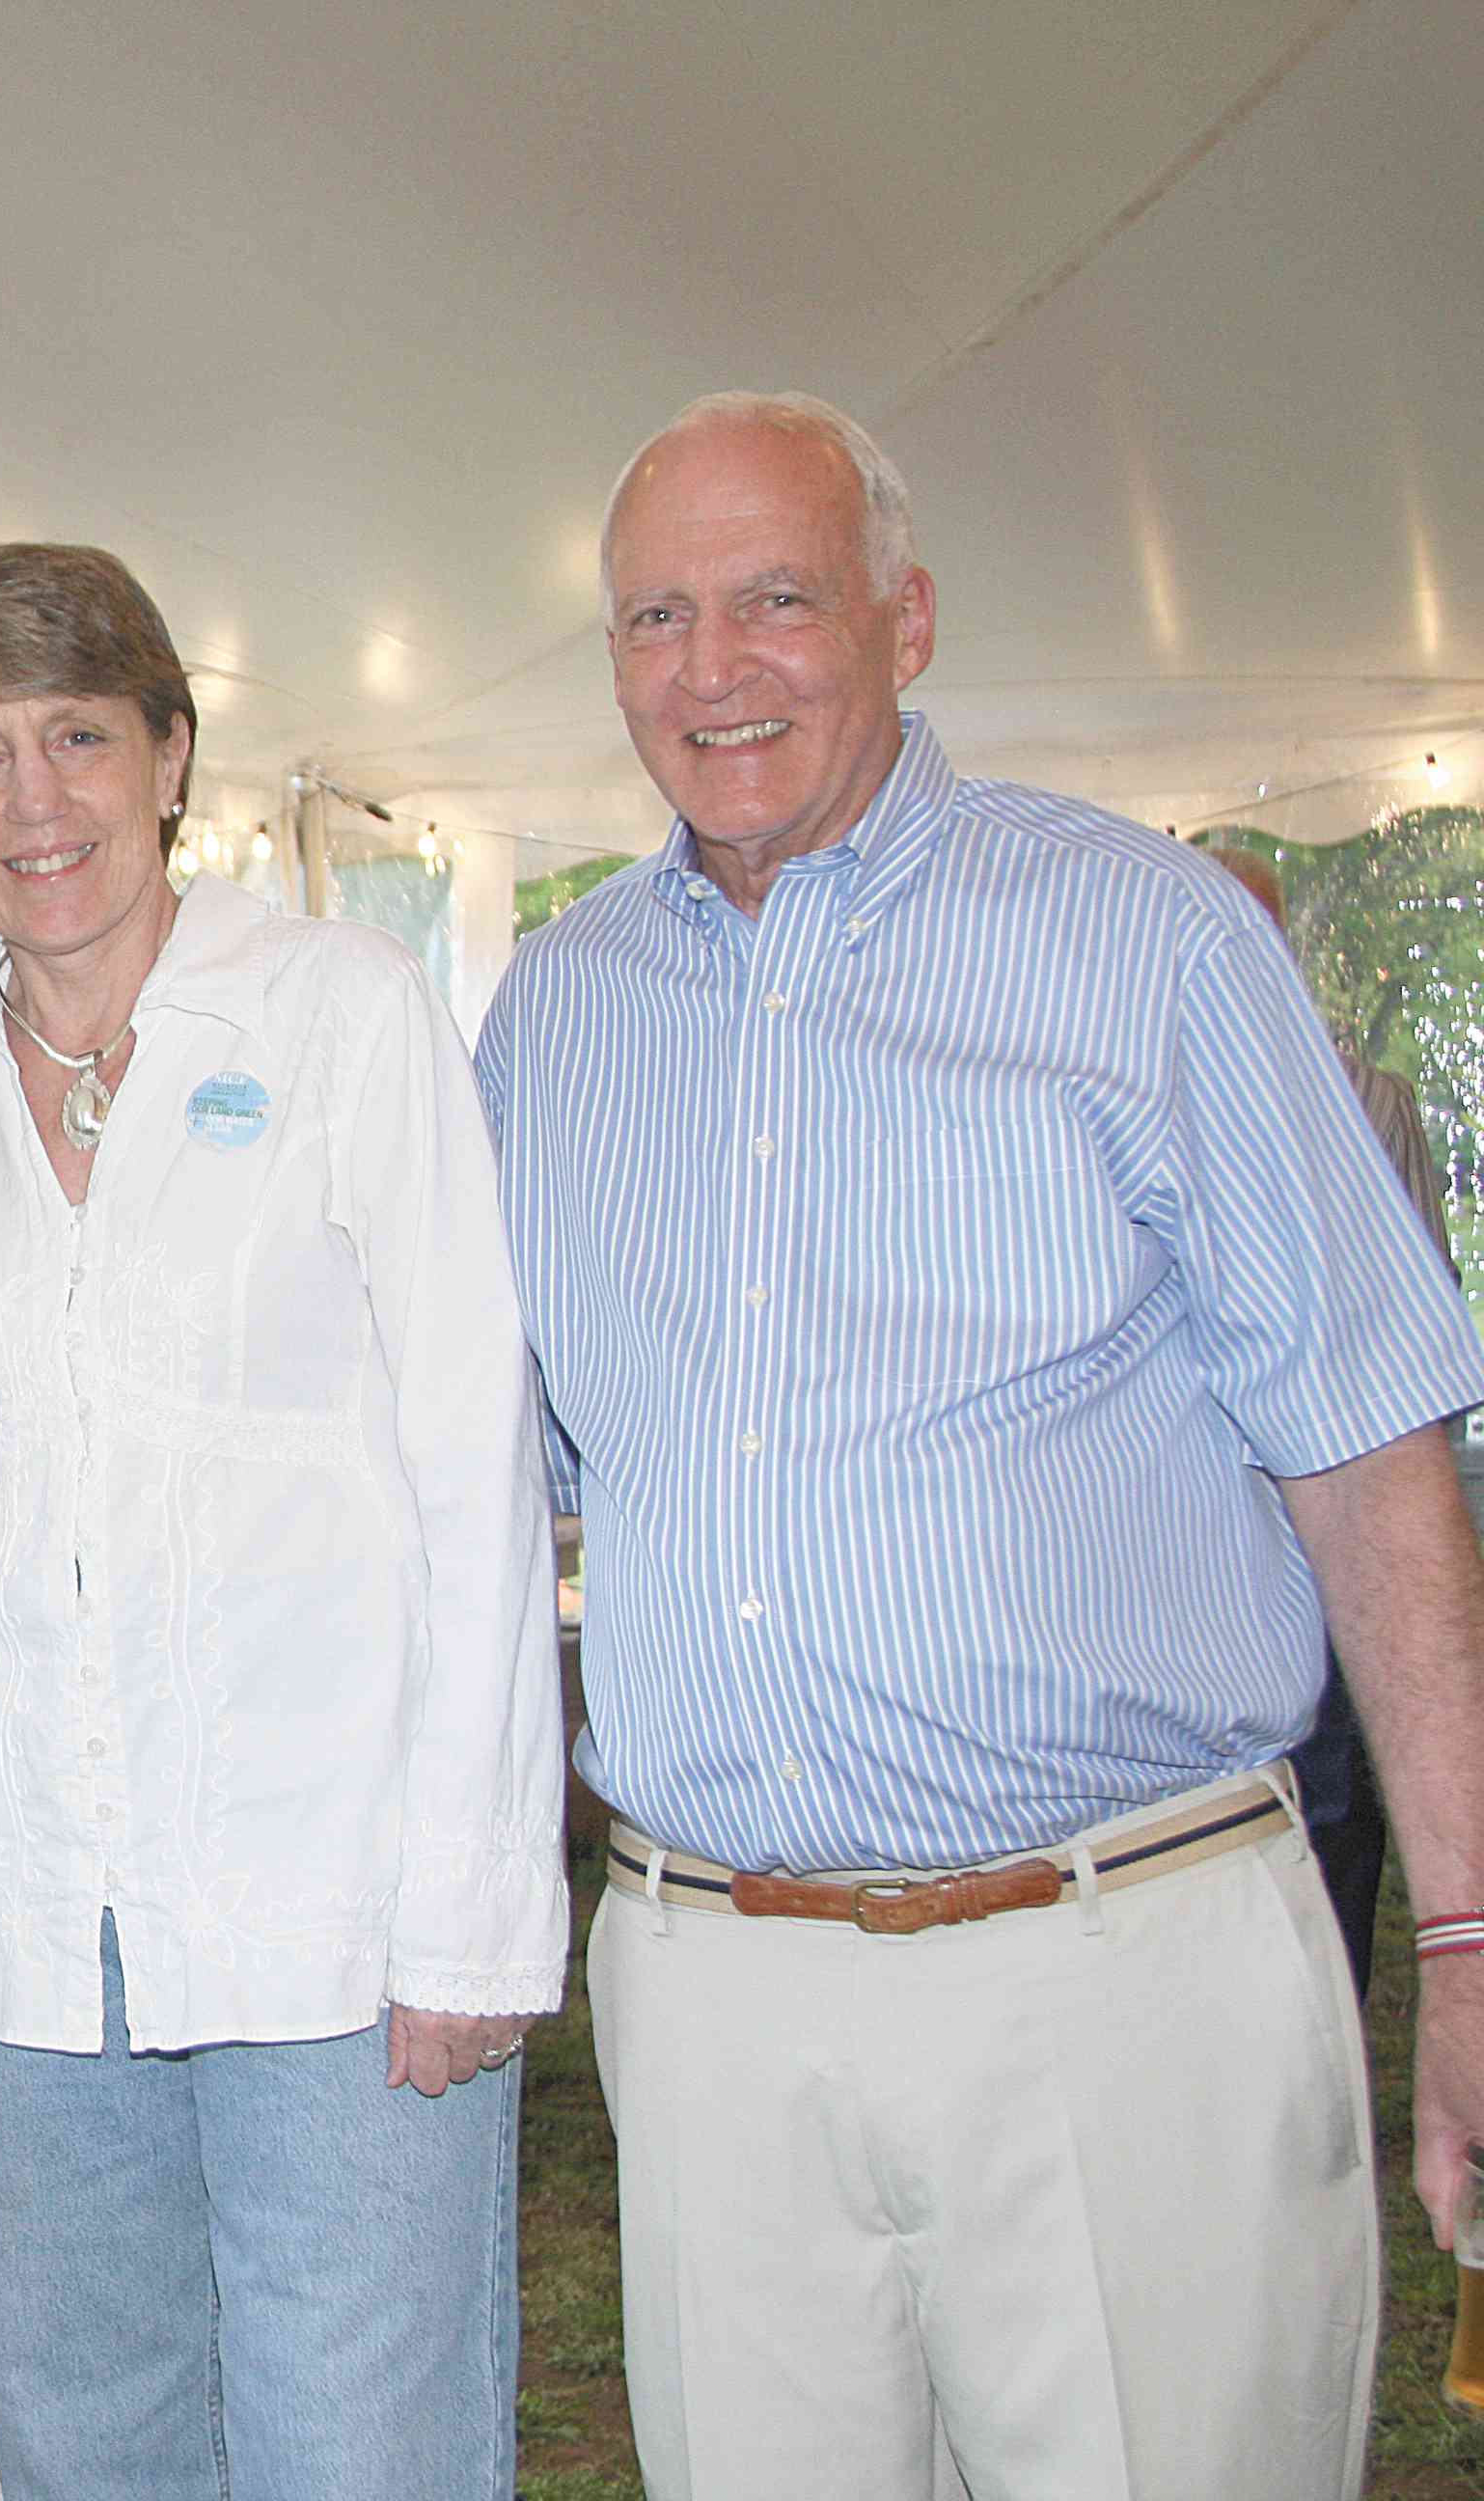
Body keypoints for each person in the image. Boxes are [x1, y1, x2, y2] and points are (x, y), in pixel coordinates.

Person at [475, 389, 1484, 2501]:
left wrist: (1469, 1938)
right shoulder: (550, 1019)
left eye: (775, 599)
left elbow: (1368, 1450)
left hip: (1121, 1978)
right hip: (715, 1999)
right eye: (656, 616)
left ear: (905, 620)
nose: (713, 668)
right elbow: (497, 1485)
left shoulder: (1148, 938)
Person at [0, 542, 563, 2499]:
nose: (36, 800)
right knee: (82, 2454)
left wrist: (473, 1905)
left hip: (331, 1920)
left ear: (170, 755)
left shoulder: (341, 1018)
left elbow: (473, 1470)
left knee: (360, 2454)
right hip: (18, 1932)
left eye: (78, 736)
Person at [1210, 840, 1469, 1997]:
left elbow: (1418, 1322)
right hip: (1195, 1515)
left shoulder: (1370, 1100)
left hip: (1326, 1498)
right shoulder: (1119, 1082)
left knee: (1333, 1793)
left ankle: (1336, 2013)